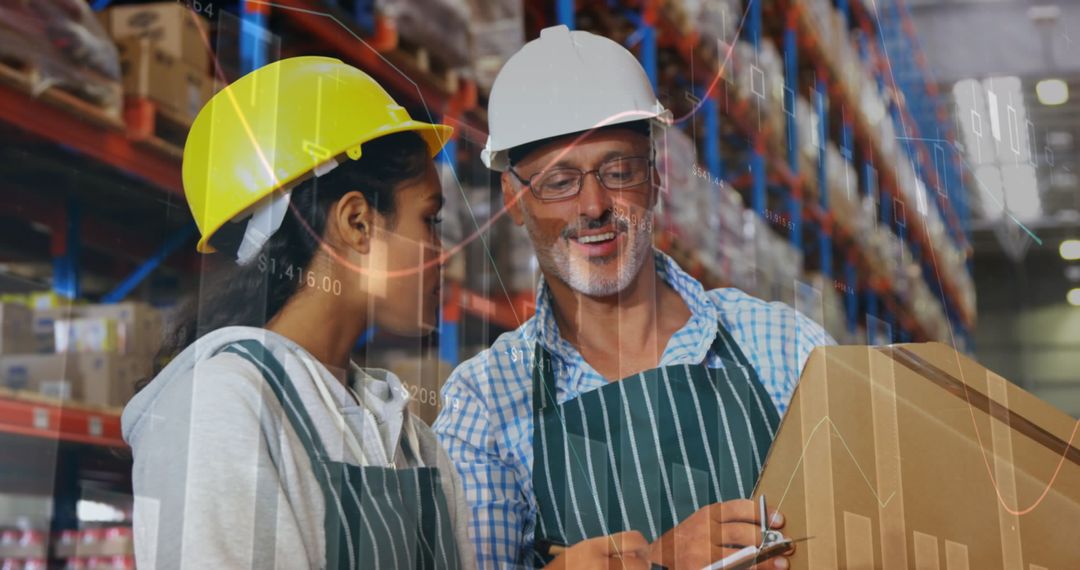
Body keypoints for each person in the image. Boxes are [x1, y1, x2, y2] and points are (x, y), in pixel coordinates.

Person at [433, 26, 836, 569]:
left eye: (618, 170)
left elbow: (874, 522)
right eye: (559, 182)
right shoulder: (484, 405)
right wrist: (653, 561)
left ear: (655, 174)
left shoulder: (786, 348)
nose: (594, 205)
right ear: (514, 196)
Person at [121, 56, 478, 569]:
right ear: (358, 222)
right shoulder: (219, 409)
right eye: (430, 218)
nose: (442, 252)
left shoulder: (405, 435)